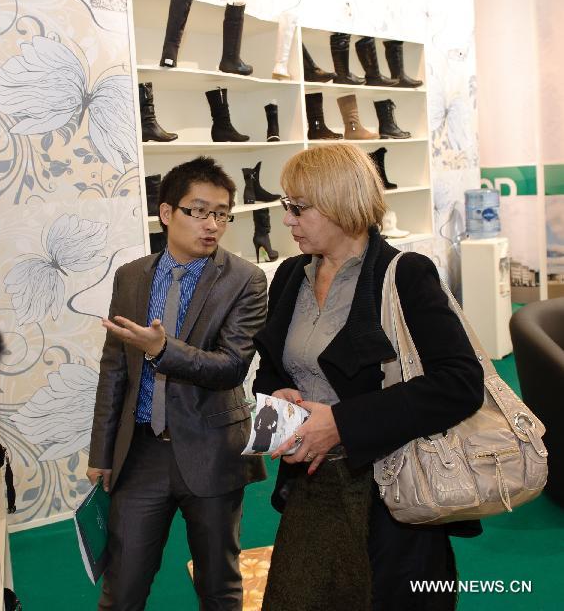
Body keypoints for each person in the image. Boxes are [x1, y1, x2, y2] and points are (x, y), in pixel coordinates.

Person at [251, 144, 484, 610]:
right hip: (310, 490)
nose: (287, 220)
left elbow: (461, 383)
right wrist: (276, 414)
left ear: (340, 203)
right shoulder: (288, 276)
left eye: (298, 208)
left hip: (391, 493)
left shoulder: (404, 275)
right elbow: (271, 370)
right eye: (285, 206)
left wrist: (339, 423)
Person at [87, 156, 268, 610]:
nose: (212, 225)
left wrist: (161, 350)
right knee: (122, 584)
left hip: (211, 448)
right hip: (142, 451)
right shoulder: (131, 277)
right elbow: (114, 370)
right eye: (199, 211)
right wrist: (102, 452)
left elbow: (230, 366)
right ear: (167, 213)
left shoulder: (246, 280)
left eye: (222, 213)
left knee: (219, 583)